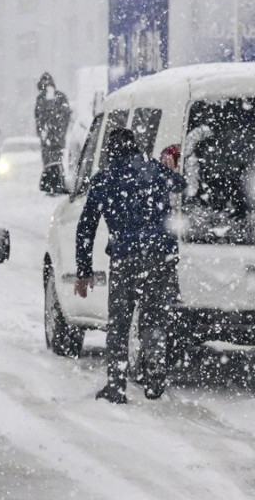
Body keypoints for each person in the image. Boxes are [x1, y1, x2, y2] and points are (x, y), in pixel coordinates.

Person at [74, 128, 186, 404]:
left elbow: (86, 227)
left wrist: (83, 270)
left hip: (125, 258)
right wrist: (170, 167)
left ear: (111, 151)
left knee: (120, 323)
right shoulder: (154, 171)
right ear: (135, 147)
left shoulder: (104, 179)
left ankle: (116, 385)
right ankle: (155, 378)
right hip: (160, 257)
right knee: (154, 318)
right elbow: (182, 186)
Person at [35, 72, 72, 194]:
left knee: (52, 160)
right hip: (52, 137)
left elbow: (39, 118)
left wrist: (47, 132)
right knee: (53, 160)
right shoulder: (48, 98)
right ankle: (54, 183)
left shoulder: (46, 99)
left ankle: (53, 183)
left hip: (53, 137)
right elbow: (39, 118)